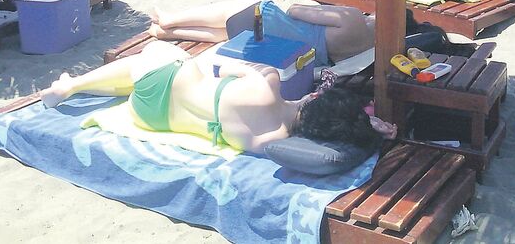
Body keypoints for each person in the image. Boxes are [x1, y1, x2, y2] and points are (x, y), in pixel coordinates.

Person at [39, 40, 390, 153]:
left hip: (159, 82)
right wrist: (365, 127)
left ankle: (70, 86)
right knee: (153, 77)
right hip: (149, 118)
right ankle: (74, 85)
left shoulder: (266, 84)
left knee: (166, 54)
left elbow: (221, 65)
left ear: (315, 99)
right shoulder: (269, 141)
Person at [149, 0, 375, 65]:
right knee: (229, 31)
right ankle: (169, 33)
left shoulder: (353, 18)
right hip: (286, 52)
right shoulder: (367, 51)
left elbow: (295, 10)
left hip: (266, 27)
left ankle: (170, 20)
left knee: (238, 7)